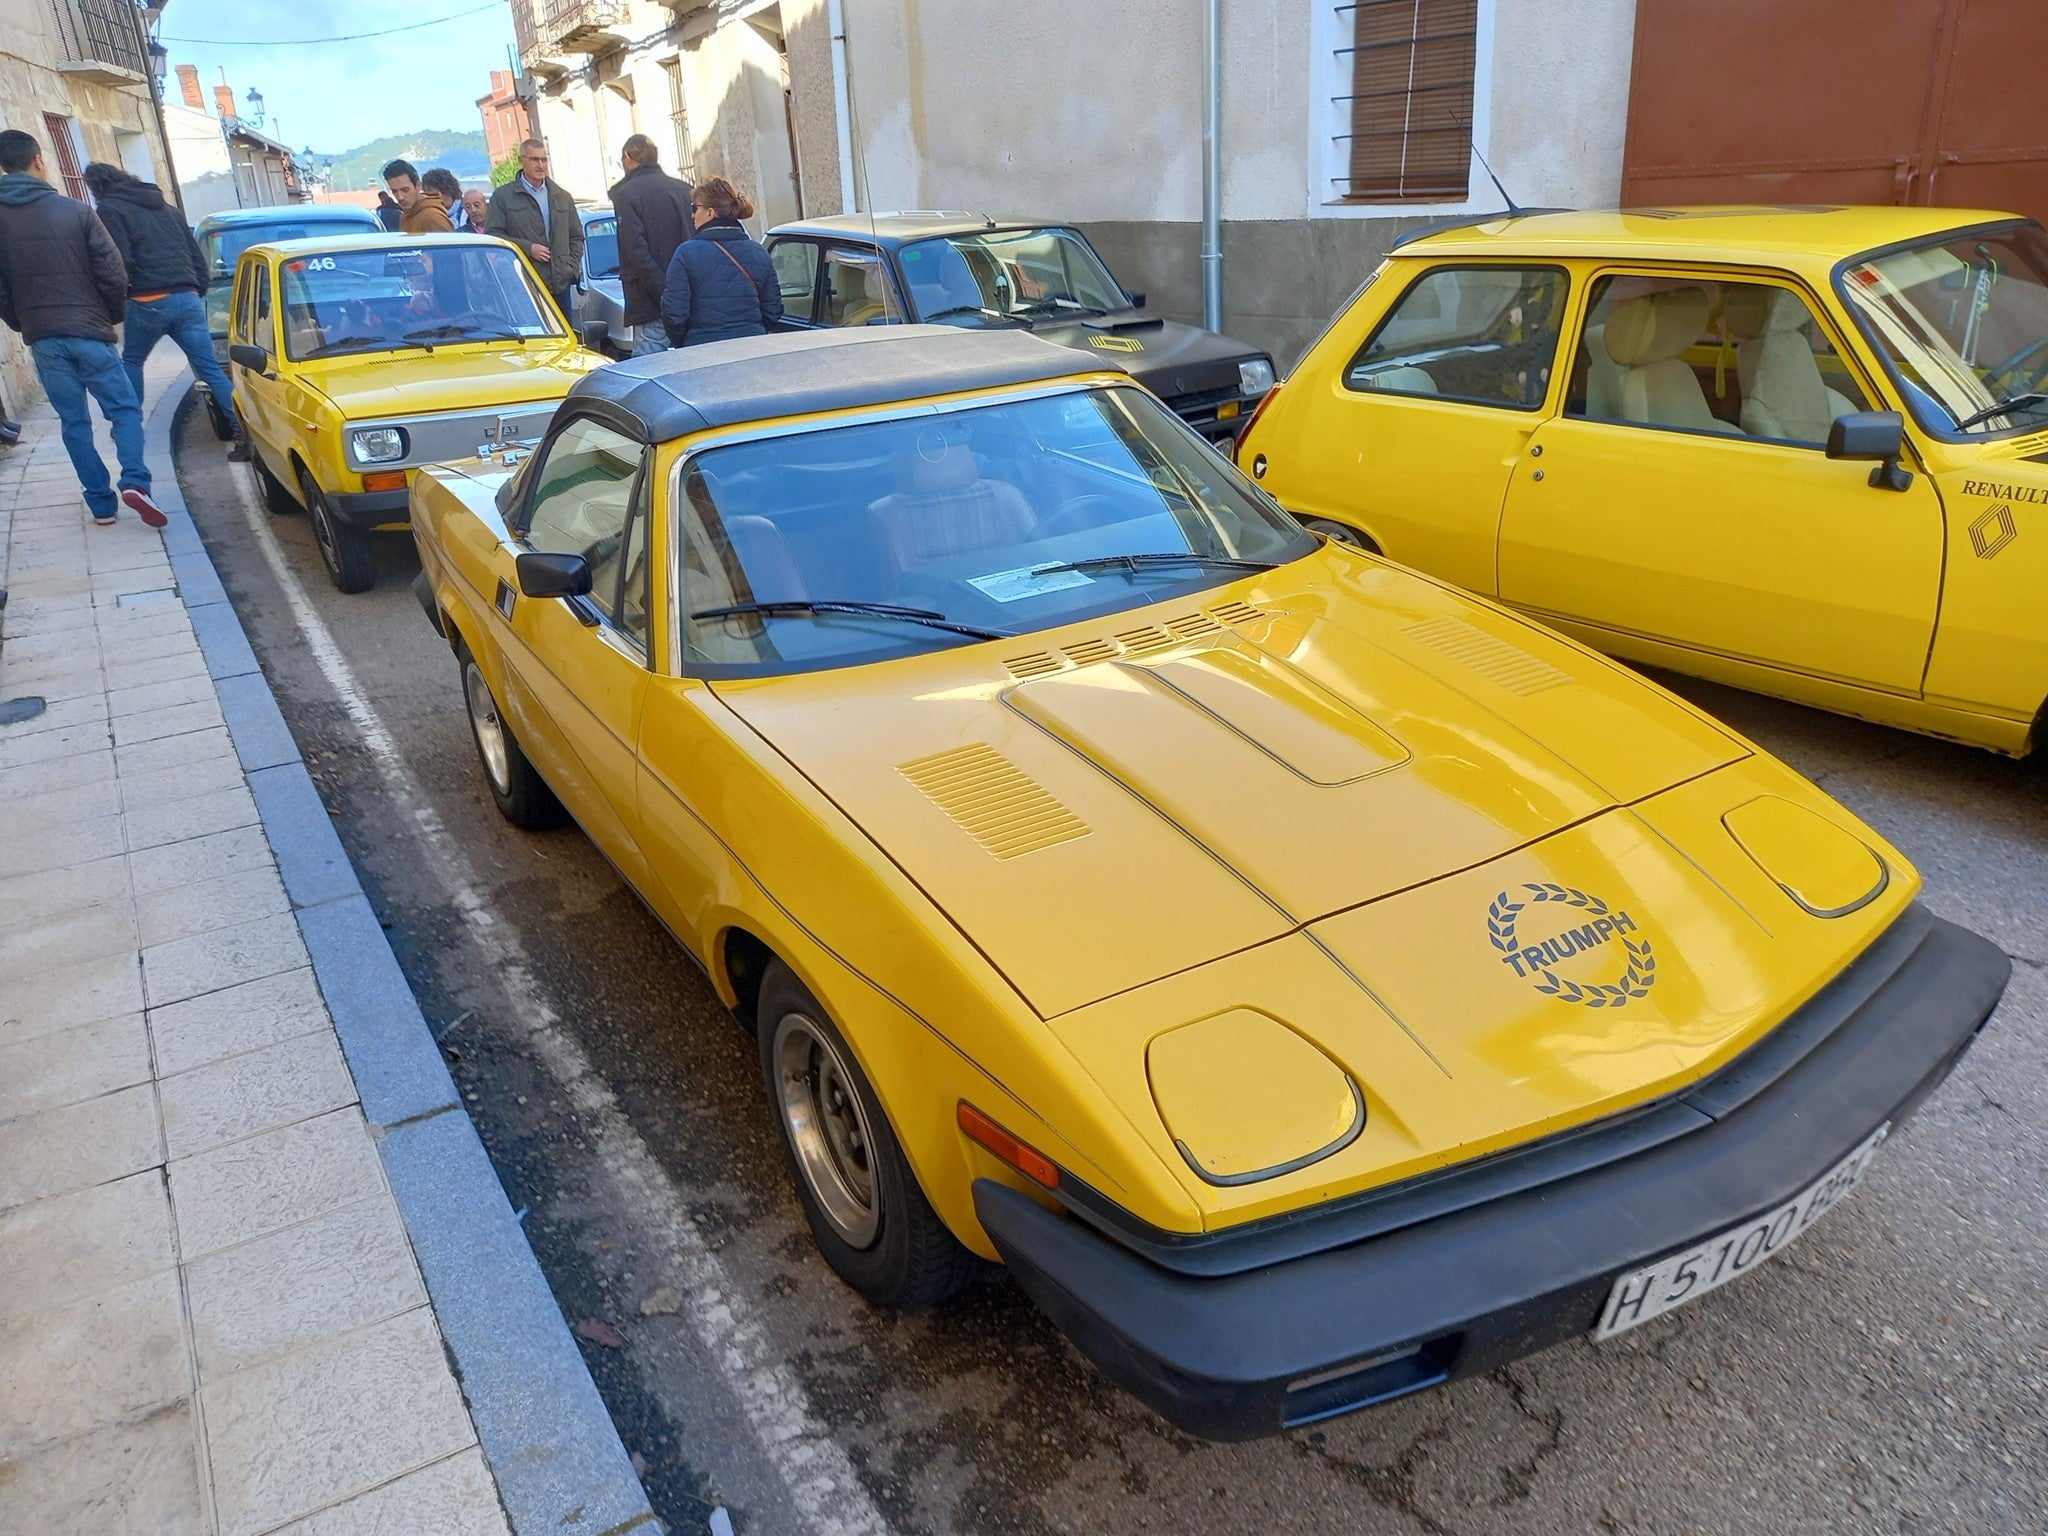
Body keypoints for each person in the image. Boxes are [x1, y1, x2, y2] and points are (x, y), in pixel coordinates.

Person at [0, 129, 165, 527]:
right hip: (89, 330)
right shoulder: (75, 211)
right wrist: (108, 317)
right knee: (124, 409)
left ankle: (101, 504)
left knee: (74, 422)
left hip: (43, 337)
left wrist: (23, 322)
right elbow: (113, 273)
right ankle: (136, 482)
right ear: (38, 160)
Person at [82, 162, 245, 461]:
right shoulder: (167, 208)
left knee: (132, 361)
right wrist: (197, 291)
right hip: (187, 297)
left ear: (97, 188)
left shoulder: (110, 211)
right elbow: (196, 257)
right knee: (210, 369)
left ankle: (129, 429)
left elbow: (121, 262)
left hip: (146, 300)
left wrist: (118, 300)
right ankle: (243, 434)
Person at [660, 178, 780, 348]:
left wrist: (687, 342)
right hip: (752, 348)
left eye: (695, 207)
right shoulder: (758, 252)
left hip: (703, 350)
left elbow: (674, 313)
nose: (692, 214)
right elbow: (773, 308)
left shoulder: (686, 254)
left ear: (710, 212)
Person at [609, 133, 692, 358]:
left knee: (650, 375)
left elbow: (636, 251)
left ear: (627, 157)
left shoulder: (627, 194)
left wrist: (666, 294)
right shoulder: (684, 189)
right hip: (688, 298)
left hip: (652, 303)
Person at [486, 138, 582, 320]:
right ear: (521, 161)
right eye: (534, 160)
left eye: (544, 160)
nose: (540, 165)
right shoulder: (503, 197)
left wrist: (571, 268)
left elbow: (576, 237)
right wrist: (528, 248)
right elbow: (493, 236)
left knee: (564, 341)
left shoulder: (562, 197)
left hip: (559, 284)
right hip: (523, 284)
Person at [385, 158, 451, 235]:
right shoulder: (406, 215)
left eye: (405, 190)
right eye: (394, 191)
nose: (400, 197)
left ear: (418, 185)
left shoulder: (432, 217)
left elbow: (449, 246)